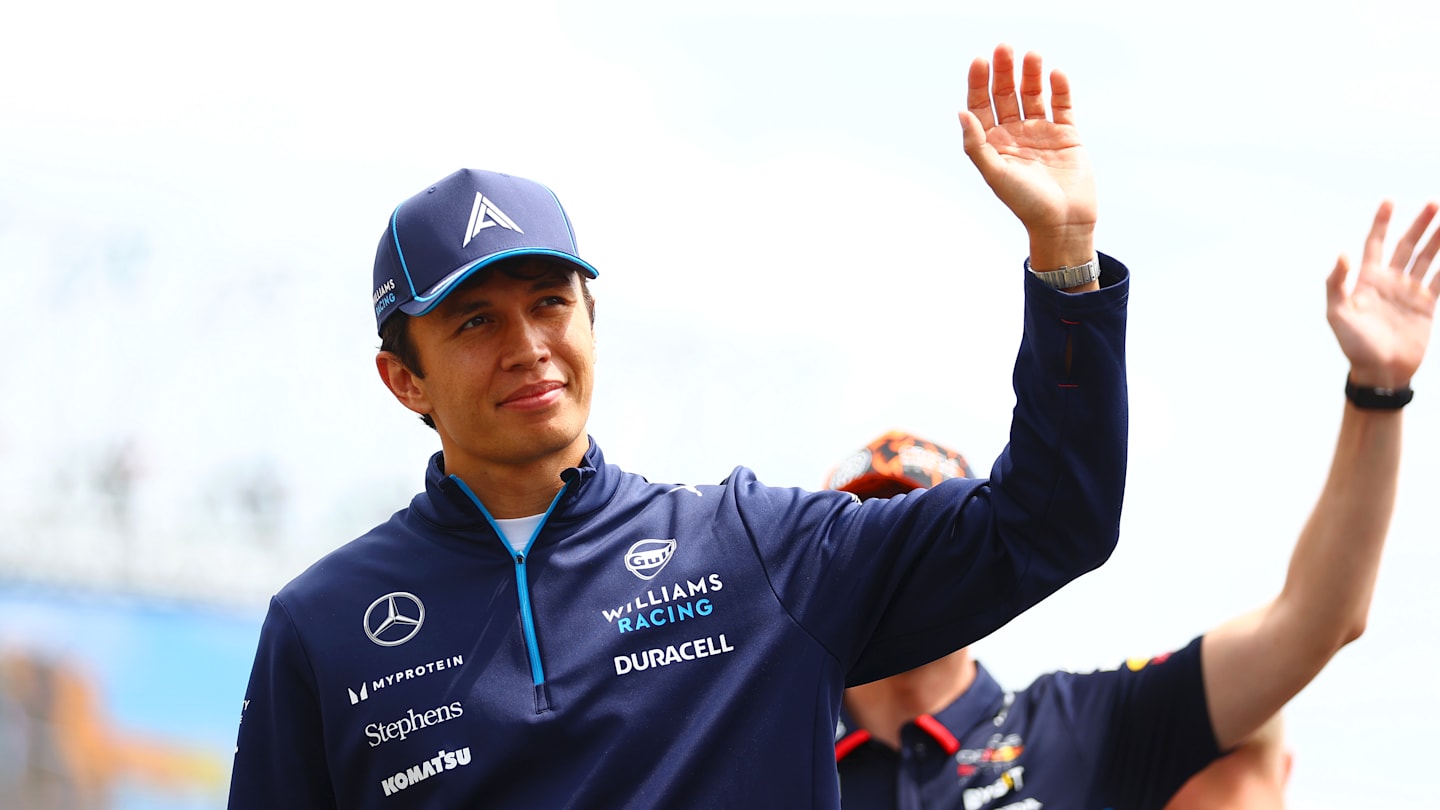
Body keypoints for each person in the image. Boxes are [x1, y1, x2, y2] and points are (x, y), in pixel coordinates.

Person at [228, 43, 1132, 809]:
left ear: (590, 321)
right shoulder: (322, 627)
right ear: (403, 380)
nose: (529, 346)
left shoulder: (757, 551)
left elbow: (1049, 524)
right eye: (475, 322)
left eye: (551, 304)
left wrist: (1064, 264)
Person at [829, 199, 1440, 809]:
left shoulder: (1077, 730)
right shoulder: (771, 748)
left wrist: (1377, 391)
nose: (895, 561)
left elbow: (1315, 622)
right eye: (868, 536)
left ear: (980, 558)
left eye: (921, 532)